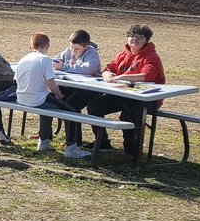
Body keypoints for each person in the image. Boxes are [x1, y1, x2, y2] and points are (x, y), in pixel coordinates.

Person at [86, 24, 167, 155]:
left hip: (147, 99)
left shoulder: (151, 56)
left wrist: (122, 76)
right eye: (131, 36)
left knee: (128, 113)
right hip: (123, 95)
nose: (134, 39)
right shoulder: (122, 54)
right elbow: (108, 69)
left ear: (146, 40)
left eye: (139, 37)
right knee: (95, 106)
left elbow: (147, 76)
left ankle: (131, 149)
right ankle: (102, 142)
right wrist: (108, 75)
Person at [14, 33, 90, 159]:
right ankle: (72, 148)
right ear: (47, 46)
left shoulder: (24, 58)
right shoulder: (45, 59)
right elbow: (51, 85)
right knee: (71, 110)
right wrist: (60, 96)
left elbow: (17, 80)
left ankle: (44, 141)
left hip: (21, 98)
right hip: (37, 99)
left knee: (48, 108)